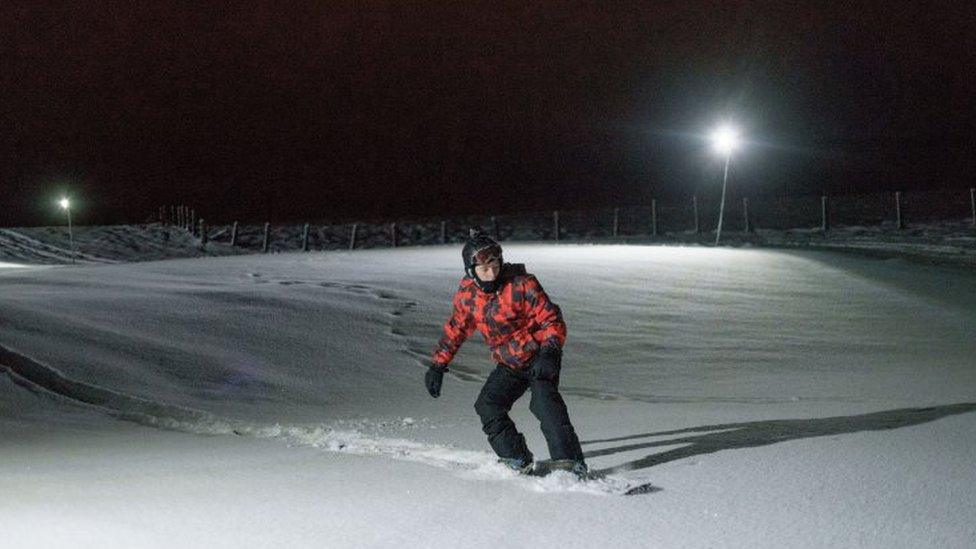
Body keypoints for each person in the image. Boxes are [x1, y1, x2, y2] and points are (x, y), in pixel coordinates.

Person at [425, 228, 587, 477]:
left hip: (539, 356)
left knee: (544, 403)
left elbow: (551, 319)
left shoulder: (522, 284)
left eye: (494, 265)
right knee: (488, 405)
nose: (491, 273)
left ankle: (569, 462)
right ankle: (516, 457)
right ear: (471, 271)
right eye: (483, 269)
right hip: (510, 363)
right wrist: (438, 365)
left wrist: (551, 351)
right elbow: (456, 329)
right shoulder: (468, 295)